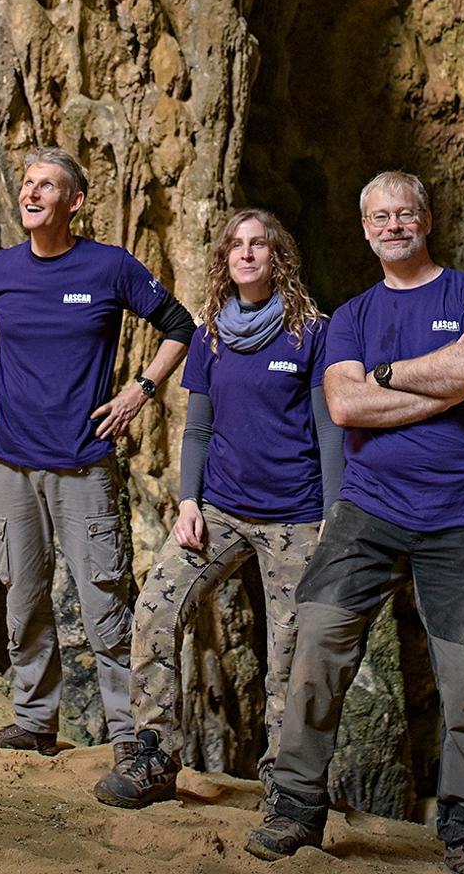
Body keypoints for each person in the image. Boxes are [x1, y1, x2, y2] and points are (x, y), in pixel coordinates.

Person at [245, 169, 464, 874]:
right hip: (368, 510)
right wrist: (436, 389)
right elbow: (343, 403)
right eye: (379, 216)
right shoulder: (351, 317)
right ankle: (297, 806)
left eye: (405, 212)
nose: (393, 224)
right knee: (318, 648)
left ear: (425, 219)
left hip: (462, 517)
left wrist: (389, 377)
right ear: (366, 231)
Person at [0, 146, 194, 763]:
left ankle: (129, 738)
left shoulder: (108, 268)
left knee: (105, 601)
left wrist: (140, 391)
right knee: (24, 595)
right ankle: (33, 722)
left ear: (74, 202)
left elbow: (181, 325)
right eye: (28, 183)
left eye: (47, 185)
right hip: (12, 463)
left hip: (82, 463)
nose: (31, 193)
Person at [91, 208, 344, 810]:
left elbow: (329, 427)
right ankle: (154, 756)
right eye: (237, 245)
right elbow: (198, 429)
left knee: (290, 651)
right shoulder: (209, 335)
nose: (248, 254)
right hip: (221, 511)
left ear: (277, 255)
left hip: (296, 515)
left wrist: (335, 514)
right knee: (156, 611)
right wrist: (187, 502)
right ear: (225, 259)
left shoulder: (312, 330)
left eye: (260, 244)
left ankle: (287, 786)